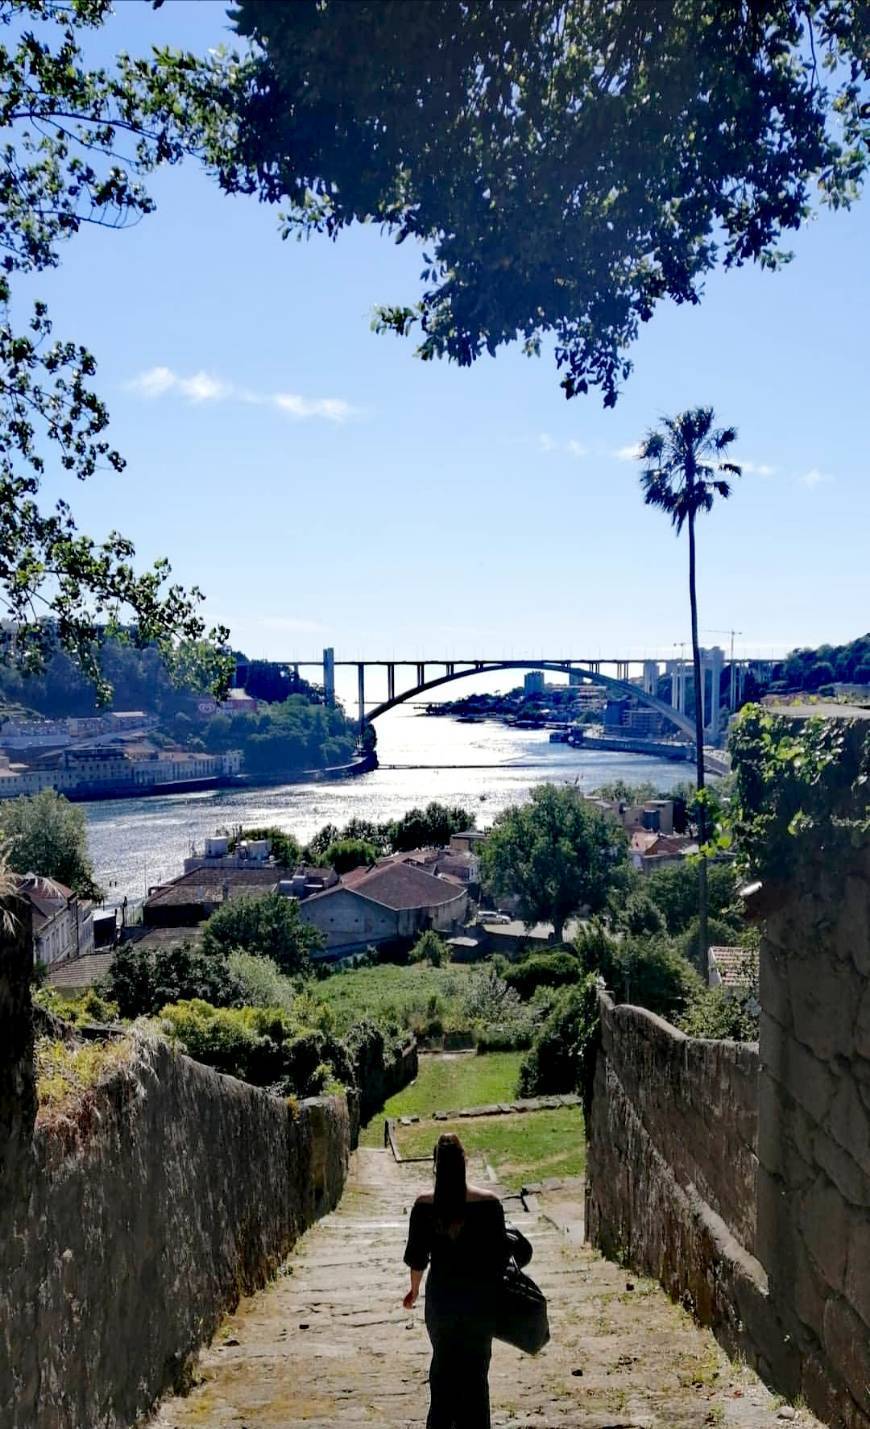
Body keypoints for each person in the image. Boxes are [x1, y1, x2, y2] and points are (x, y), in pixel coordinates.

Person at [402, 1132, 506, 1429]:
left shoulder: (424, 1206)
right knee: (476, 1376)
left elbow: (418, 1258)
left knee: (444, 1372)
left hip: (442, 1301)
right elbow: (500, 1259)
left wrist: (413, 1290)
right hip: (479, 1301)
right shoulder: (490, 1204)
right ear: (465, 1163)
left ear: (435, 1164)